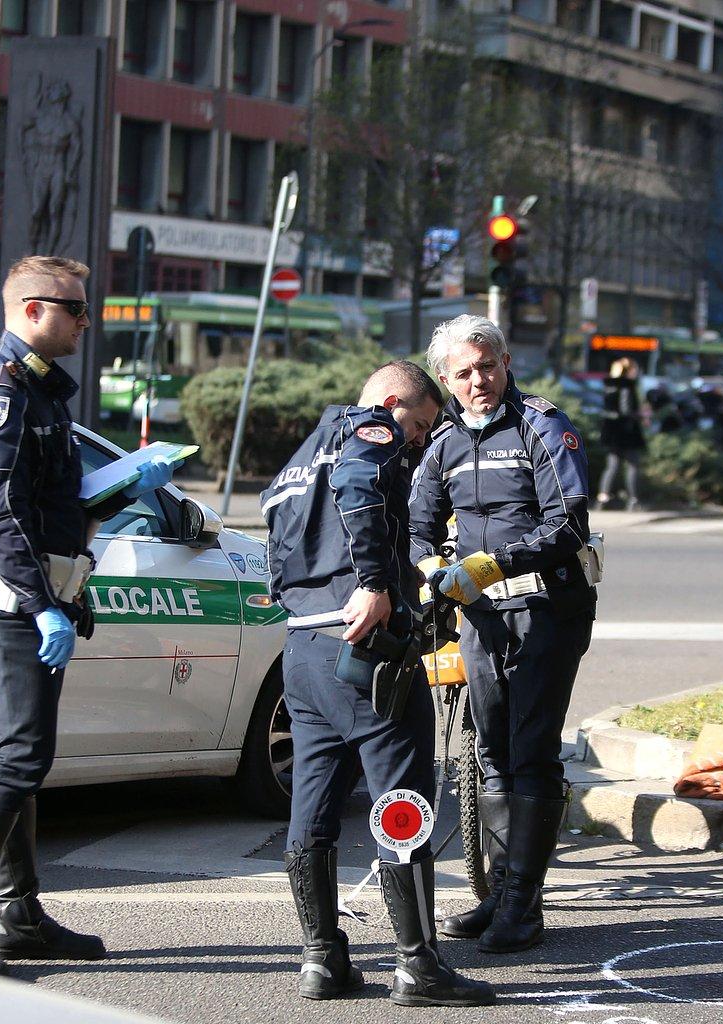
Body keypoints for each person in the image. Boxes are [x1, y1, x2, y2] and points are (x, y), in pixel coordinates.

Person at [0, 256, 174, 975]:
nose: (85, 323)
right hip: (6, 598)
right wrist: (41, 607)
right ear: (33, 309)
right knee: (18, 757)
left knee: (25, 758)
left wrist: (126, 488)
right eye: (76, 310)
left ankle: (18, 913)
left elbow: (50, 506)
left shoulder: (41, 396)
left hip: (35, 596)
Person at [261, 360, 494, 1007]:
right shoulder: (370, 432)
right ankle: (418, 966)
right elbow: (362, 488)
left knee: (312, 807)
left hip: (304, 647)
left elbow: (274, 524)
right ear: (393, 402)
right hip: (365, 648)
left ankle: (321, 960)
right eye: (419, 425)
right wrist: (371, 582)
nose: (417, 443)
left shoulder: (305, 451)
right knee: (403, 804)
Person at [408, 314, 596, 954]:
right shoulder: (444, 441)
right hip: (481, 617)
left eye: (488, 366)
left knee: (530, 750)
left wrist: (494, 563)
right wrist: (432, 566)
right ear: (446, 379)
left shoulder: (543, 425)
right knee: (489, 752)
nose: (479, 380)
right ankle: (498, 895)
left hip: (546, 609)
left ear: (506, 362)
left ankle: (525, 908)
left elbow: (567, 524)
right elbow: (417, 524)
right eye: (463, 373)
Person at [596, 357, 646, 511]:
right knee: (632, 465)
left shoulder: (608, 386)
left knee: (612, 466)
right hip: (626, 431)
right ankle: (633, 500)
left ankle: (603, 498)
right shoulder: (627, 386)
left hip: (610, 431)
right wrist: (640, 416)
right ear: (628, 370)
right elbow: (626, 410)